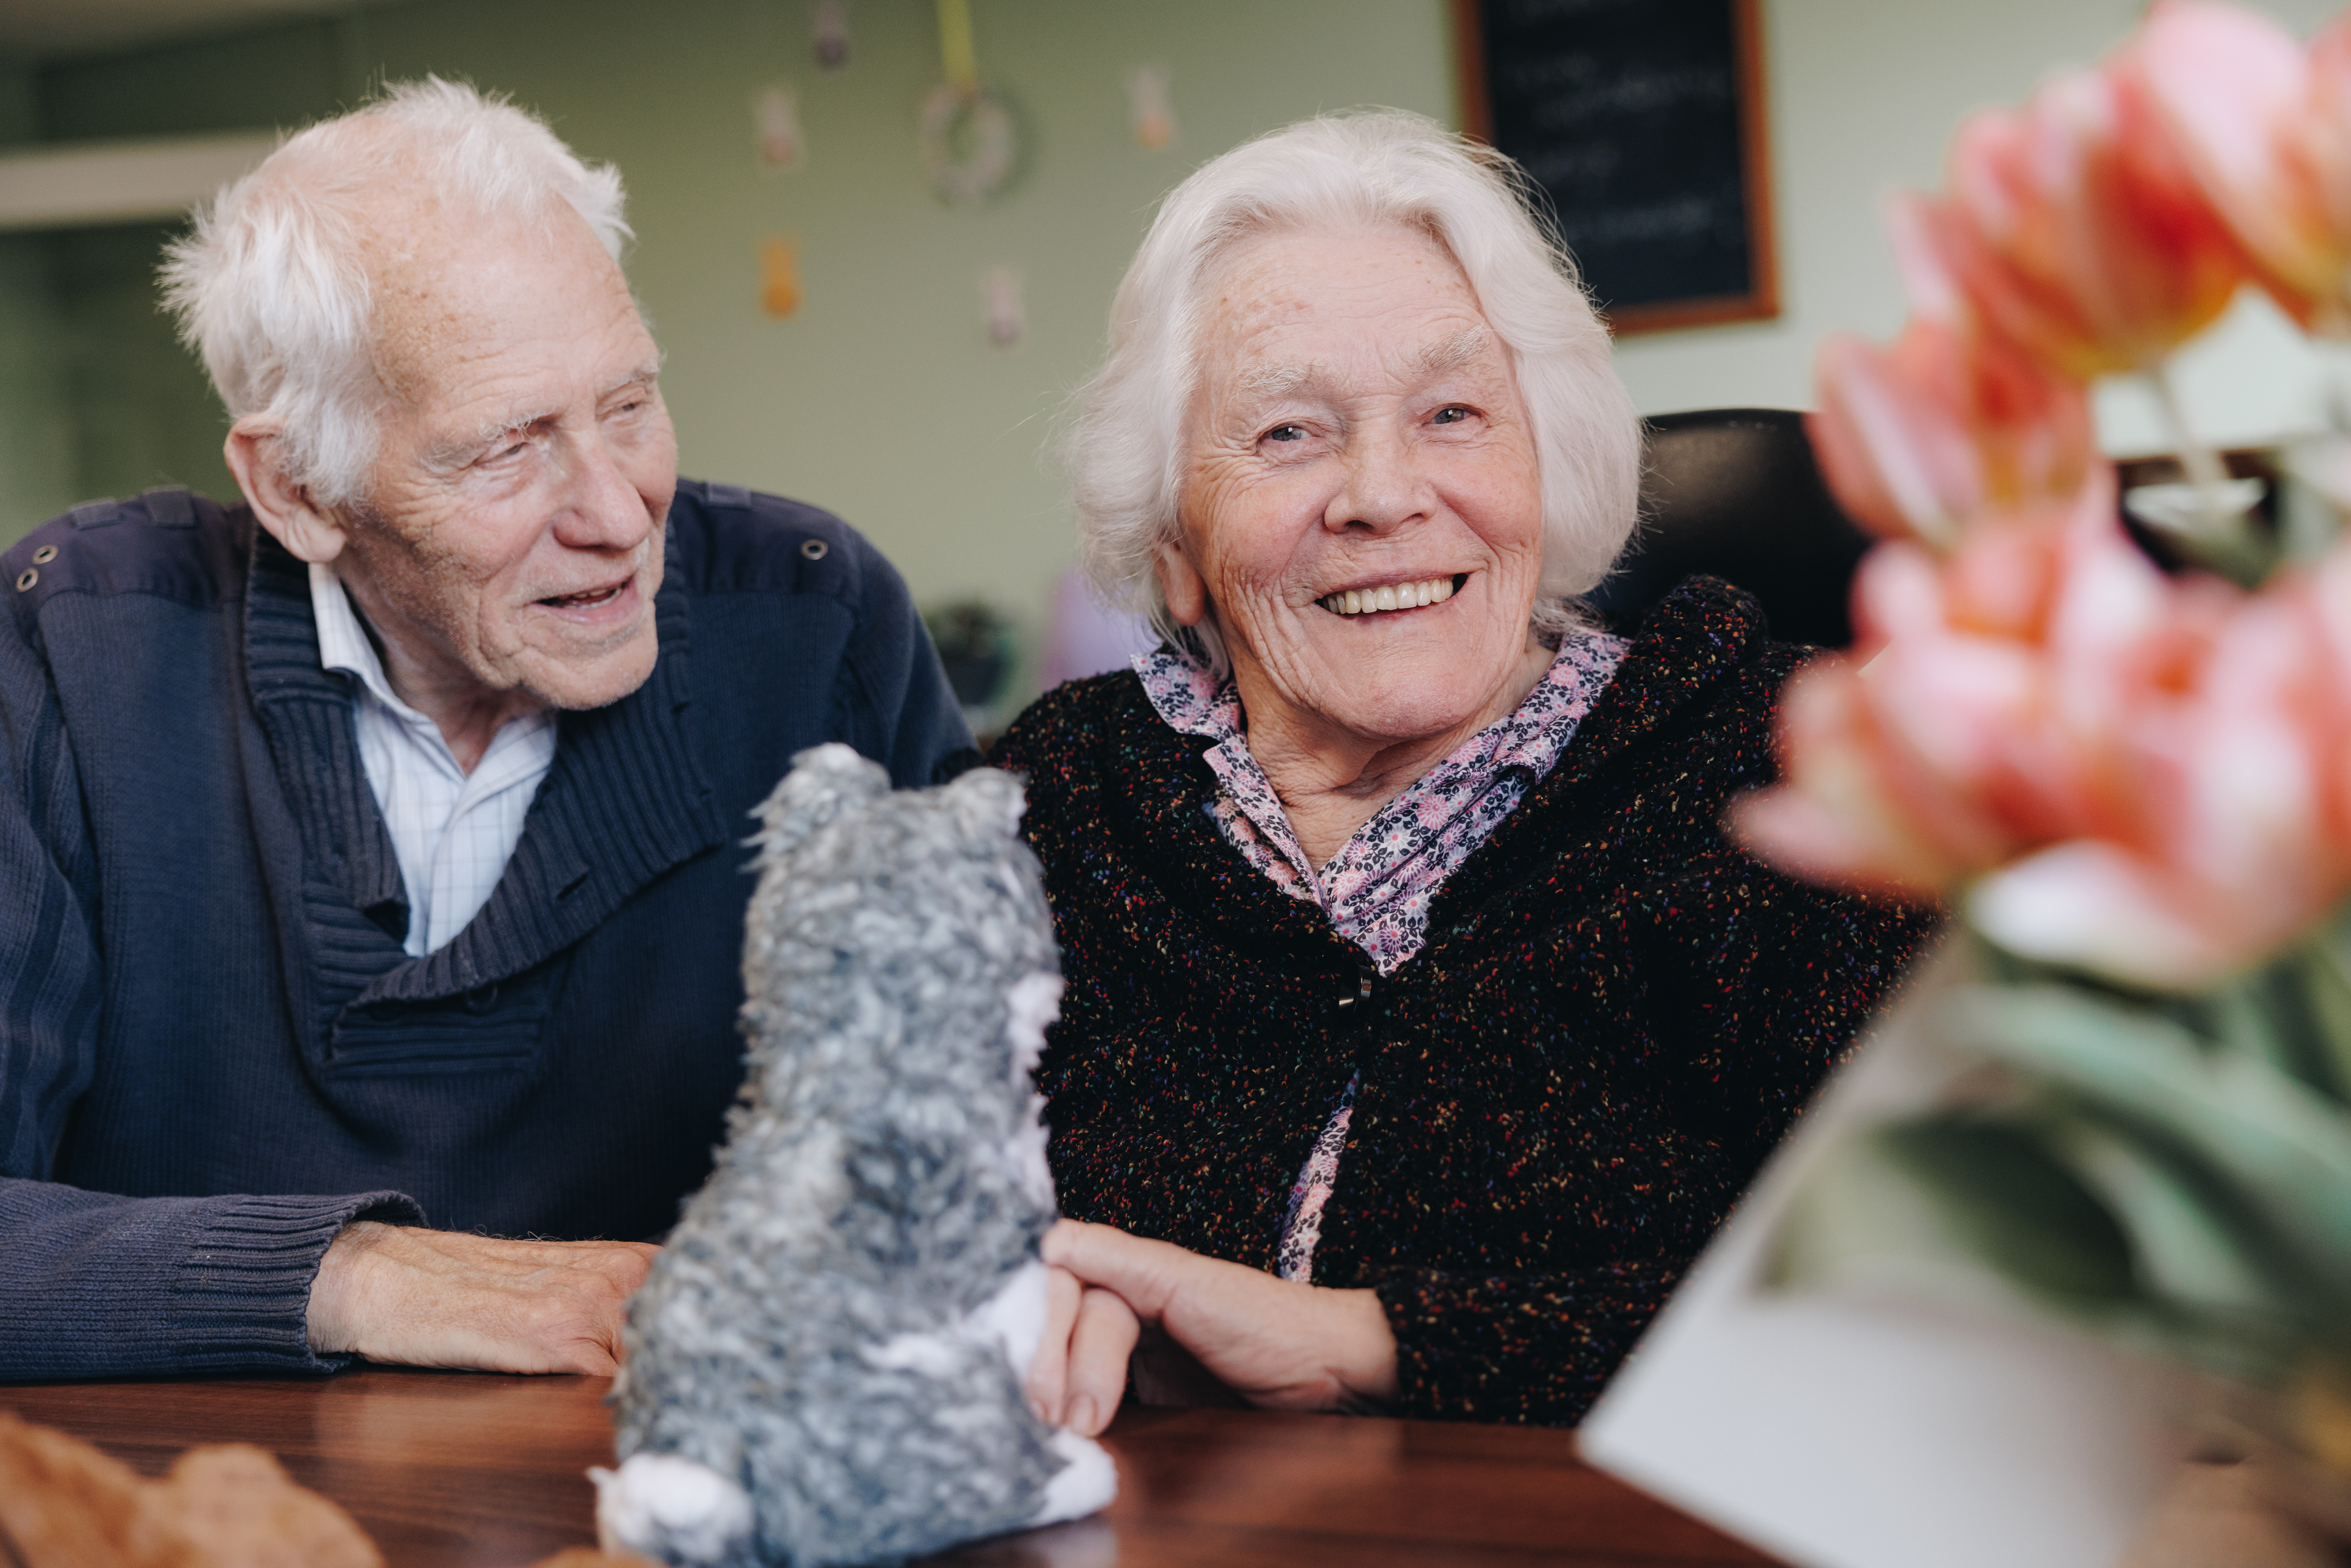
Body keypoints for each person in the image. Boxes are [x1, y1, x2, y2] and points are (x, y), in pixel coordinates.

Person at [0, 80, 971, 1381]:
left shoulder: (815, 625)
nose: (619, 516)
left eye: (629, 404)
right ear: (297, 489)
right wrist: (363, 1277)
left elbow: (1001, 1147)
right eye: (507, 448)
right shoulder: (73, 649)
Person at [1000, 112, 1936, 1429]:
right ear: (1174, 544)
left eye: (1452, 414)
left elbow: (1938, 1310)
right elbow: (850, 1230)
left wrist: (1371, 1341)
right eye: (1287, 433)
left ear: (1547, 471)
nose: (1382, 494)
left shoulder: (1802, 779)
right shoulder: (1050, 804)